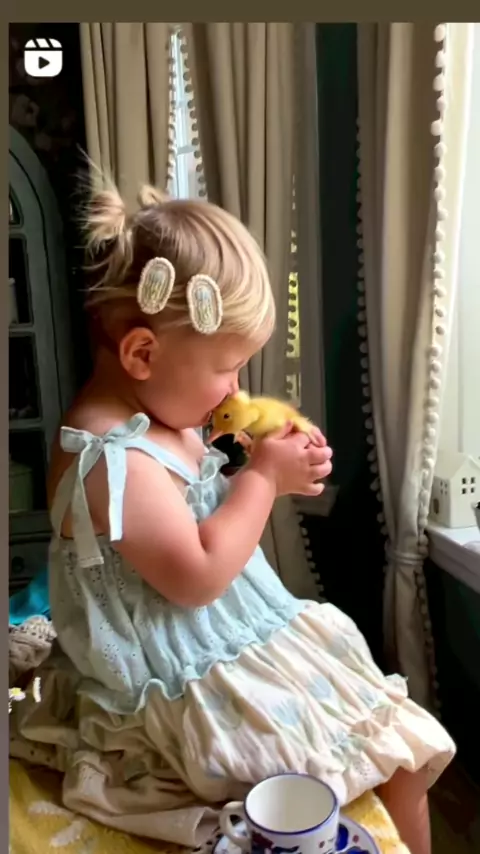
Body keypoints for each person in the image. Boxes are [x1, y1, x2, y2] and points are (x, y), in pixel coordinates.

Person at [11, 177, 455, 854]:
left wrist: (270, 460)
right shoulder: (109, 460)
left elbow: (198, 494)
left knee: (401, 750)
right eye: (229, 368)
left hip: (234, 635)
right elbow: (196, 574)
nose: (236, 388)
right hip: (179, 676)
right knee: (377, 758)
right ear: (141, 354)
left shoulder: (160, 414)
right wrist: (263, 482)